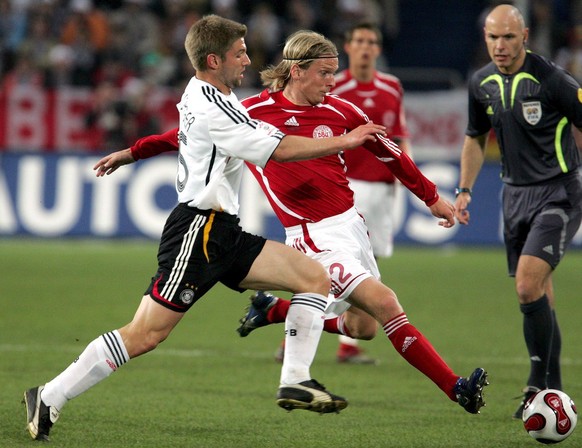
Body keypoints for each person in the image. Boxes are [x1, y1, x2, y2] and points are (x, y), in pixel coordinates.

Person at [22, 15, 388, 442]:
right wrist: (346, 140)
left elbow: (183, 135)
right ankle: (50, 394)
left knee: (314, 277)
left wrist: (133, 152)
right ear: (214, 59)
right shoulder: (218, 112)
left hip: (223, 231)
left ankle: (296, 379)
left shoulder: (210, 94)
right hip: (197, 233)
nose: (248, 60)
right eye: (239, 53)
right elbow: (282, 150)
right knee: (145, 334)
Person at [108, 29, 488, 417]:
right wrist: (133, 152)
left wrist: (431, 197)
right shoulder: (253, 112)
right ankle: (456, 388)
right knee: (387, 304)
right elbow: (183, 135)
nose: (332, 81)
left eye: (334, 72)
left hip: (352, 226)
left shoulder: (342, 111)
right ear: (296, 71)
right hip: (313, 235)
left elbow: (390, 154)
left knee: (364, 328)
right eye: (324, 72)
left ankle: (272, 311)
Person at [454, 4, 582, 420]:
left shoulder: (552, 80)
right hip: (514, 196)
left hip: (559, 192)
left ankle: (535, 384)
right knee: (540, 292)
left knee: (527, 285)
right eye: (493, 37)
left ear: (524, 36)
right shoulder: (481, 83)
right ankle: (554, 392)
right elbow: (474, 139)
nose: (500, 46)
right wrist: (465, 190)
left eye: (508, 37)